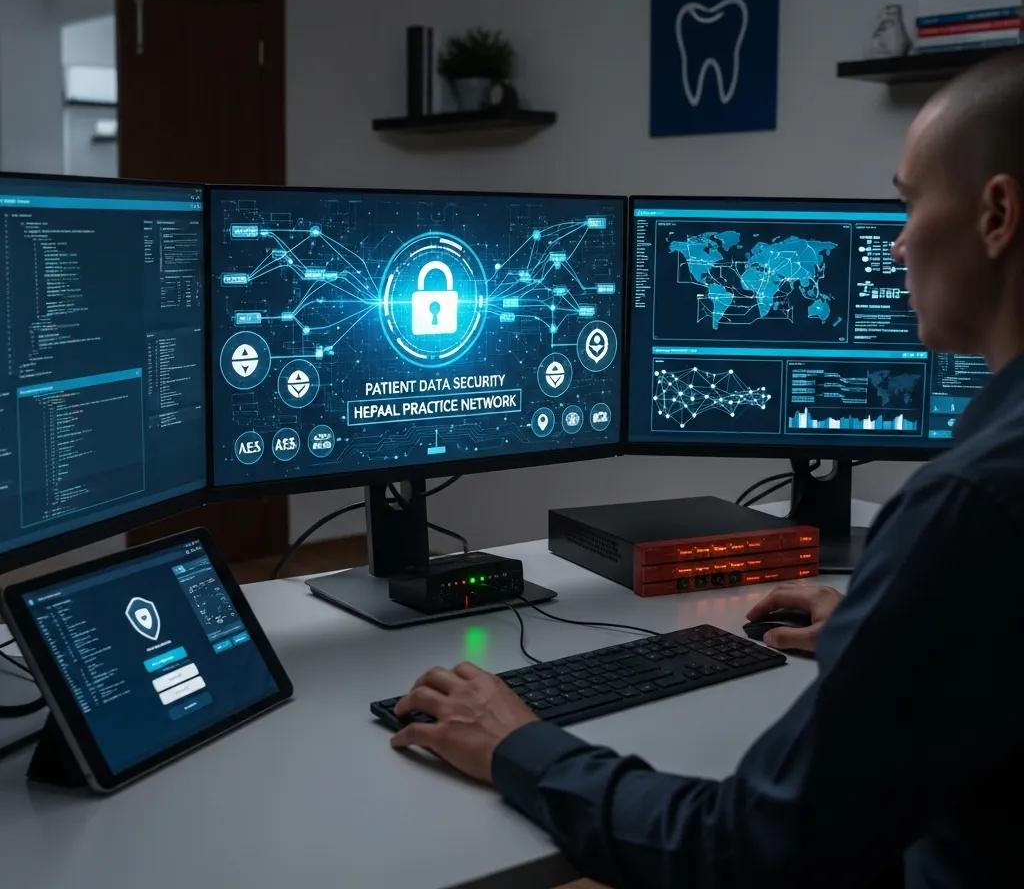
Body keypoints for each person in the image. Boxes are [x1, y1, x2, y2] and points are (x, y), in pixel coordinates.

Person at [389, 48, 1024, 888]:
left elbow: (746, 850)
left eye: (909, 205)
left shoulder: (969, 505)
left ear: (997, 214)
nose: (899, 245)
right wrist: (887, 639)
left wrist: (519, 744)